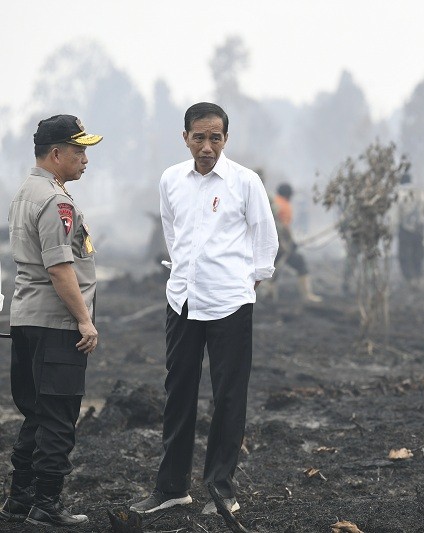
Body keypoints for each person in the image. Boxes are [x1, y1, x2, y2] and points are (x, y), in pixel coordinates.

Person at [130, 102, 279, 516]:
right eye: (199, 137)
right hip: (182, 299)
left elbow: (266, 242)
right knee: (178, 392)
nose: (207, 145)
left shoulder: (245, 182)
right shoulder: (171, 180)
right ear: (186, 138)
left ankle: (221, 489)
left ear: (225, 139)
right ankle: (172, 487)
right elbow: (172, 231)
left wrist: (244, 282)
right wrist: (185, 275)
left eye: (215, 137)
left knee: (229, 397)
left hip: (230, 303)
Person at [2, 114, 102, 527]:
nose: (85, 159)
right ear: (57, 153)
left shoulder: (26, 190)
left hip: (26, 319)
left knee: (38, 414)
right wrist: (85, 321)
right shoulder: (56, 201)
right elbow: (60, 267)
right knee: (60, 417)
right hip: (56, 325)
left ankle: (19, 498)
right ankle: (47, 503)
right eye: (79, 150)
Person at [268, 183, 322, 302]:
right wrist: (292, 242)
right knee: (300, 263)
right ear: (289, 195)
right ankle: (307, 295)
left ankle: (270, 296)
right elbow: (285, 227)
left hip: (268, 245)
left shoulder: (273, 202)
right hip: (280, 246)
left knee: (272, 269)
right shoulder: (285, 206)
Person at [394, 172, 424, 290]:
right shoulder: (420, 193)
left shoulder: (398, 195)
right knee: (418, 254)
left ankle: (410, 279)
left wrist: (392, 229)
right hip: (418, 229)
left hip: (405, 230)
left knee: (404, 255)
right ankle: (418, 277)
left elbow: (395, 216)